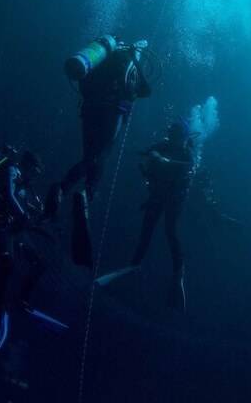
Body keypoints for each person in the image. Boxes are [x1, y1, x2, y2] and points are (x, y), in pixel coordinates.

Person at [45, 38, 152, 267]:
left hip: (89, 109)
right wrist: (137, 59)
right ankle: (85, 194)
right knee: (100, 156)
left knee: (89, 156)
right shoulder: (130, 57)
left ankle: (61, 190)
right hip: (112, 112)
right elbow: (145, 90)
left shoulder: (102, 56)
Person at [95, 121, 196, 311]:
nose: (173, 138)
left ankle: (178, 275)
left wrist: (166, 161)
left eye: (176, 135)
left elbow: (190, 166)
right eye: (171, 134)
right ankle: (134, 265)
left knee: (171, 232)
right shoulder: (164, 145)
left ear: (183, 137)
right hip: (158, 196)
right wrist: (156, 156)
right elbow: (149, 151)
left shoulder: (187, 154)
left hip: (173, 199)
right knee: (146, 232)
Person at [0, 147, 68, 353]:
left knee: (40, 263)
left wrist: (49, 221)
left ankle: (21, 300)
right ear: (28, 166)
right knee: (7, 265)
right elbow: (9, 195)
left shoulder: (27, 186)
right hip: (1, 227)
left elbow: (31, 210)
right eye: (36, 170)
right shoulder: (12, 171)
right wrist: (22, 214)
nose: (37, 175)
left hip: (15, 233)